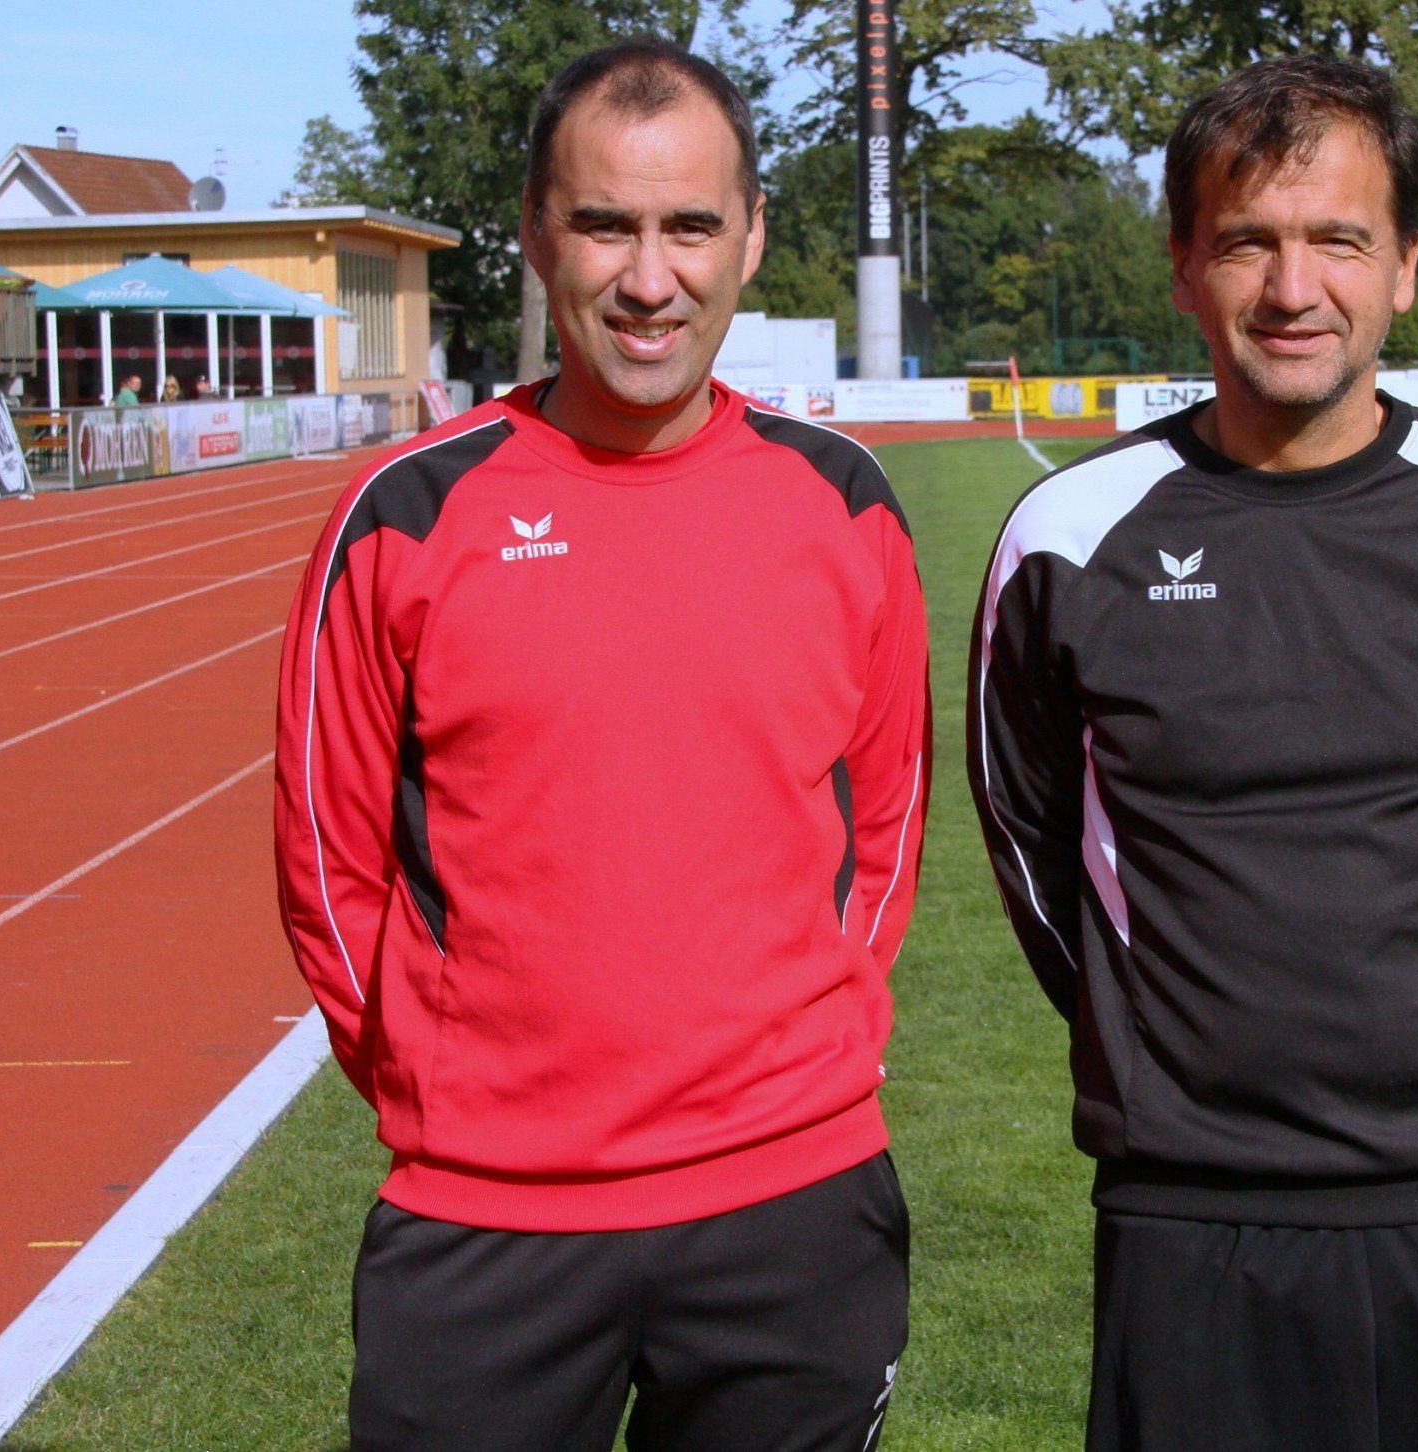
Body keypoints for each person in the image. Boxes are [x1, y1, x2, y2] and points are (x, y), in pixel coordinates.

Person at [275, 38, 929, 1452]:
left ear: (750, 238)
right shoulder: (404, 517)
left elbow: (885, 834)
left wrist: (796, 1057)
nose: (651, 277)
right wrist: (449, 1092)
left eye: (691, 224)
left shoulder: (845, 507)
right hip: (486, 1222)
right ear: (535, 233)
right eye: (605, 224)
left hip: (796, 1209)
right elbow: (327, 872)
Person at [969, 55, 1418, 1451]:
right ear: (1184, 267)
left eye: (1338, 239)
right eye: (1246, 241)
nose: (1292, 288)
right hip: (1197, 1213)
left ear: (1404, 268)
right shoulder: (1071, 539)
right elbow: (1028, 839)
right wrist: (1169, 1048)